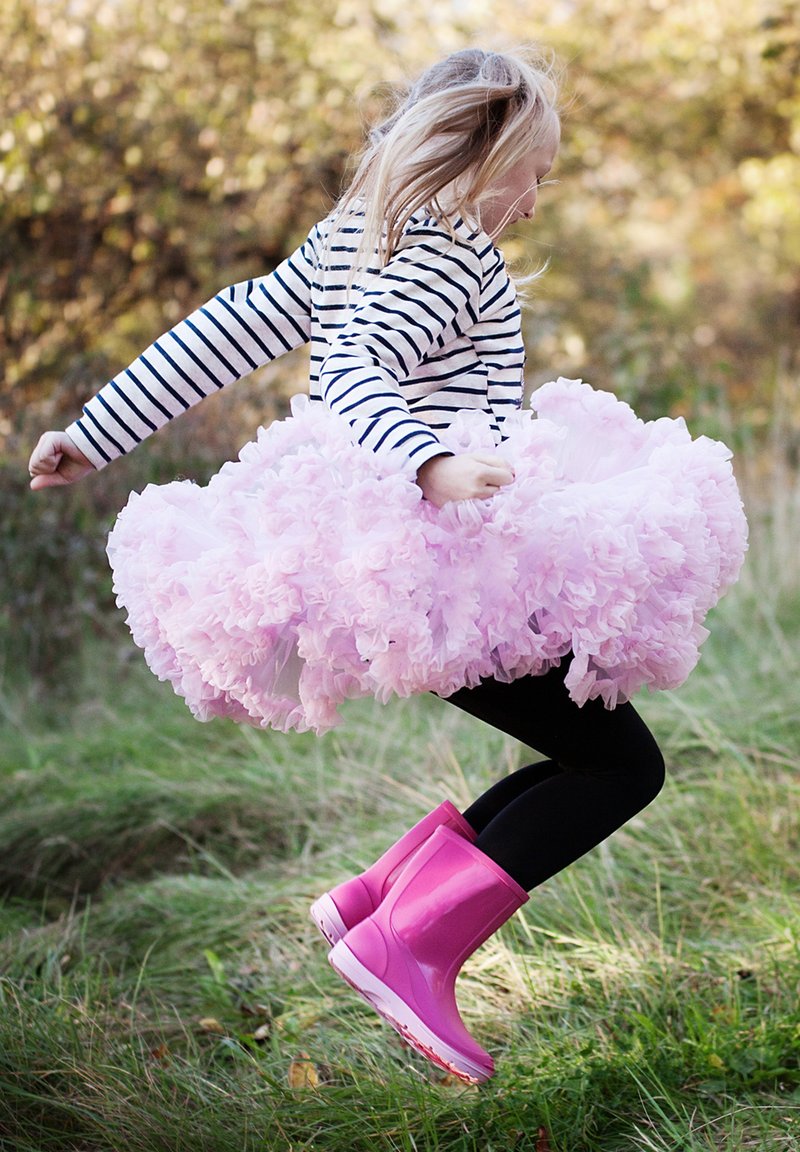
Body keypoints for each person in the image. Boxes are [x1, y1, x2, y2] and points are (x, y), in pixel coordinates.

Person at [28, 47, 747, 1084]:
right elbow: (360, 366)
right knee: (617, 767)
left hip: (423, 557)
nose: (536, 200)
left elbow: (231, 326)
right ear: (477, 151)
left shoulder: (361, 234)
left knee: (587, 754)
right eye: (529, 172)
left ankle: (382, 900)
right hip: (452, 562)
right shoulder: (448, 251)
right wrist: (431, 461)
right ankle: (404, 940)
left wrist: (98, 430)